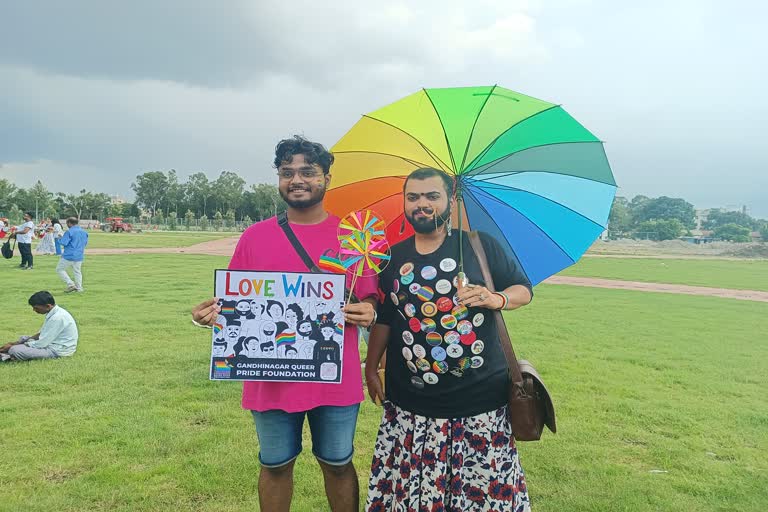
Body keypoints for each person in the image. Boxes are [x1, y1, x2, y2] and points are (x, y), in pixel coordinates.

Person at [192, 136, 378, 512]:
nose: (297, 179)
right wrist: (209, 317)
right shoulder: (255, 236)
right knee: (275, 465)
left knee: (338, 463)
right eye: (287, 172)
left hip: (334, 373)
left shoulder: (354, 237)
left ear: (327, 177)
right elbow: (234, 303)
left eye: (308, 172)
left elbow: (371, 297)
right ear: (278, 178)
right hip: (270, 374)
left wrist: (370, 310)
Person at [364, 168, 534, 511]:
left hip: (479, 402)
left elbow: (523, 290)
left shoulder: (480, 245)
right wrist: (370, 367)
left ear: (451, 201)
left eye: (432, 196)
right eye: (413, 197)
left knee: (481, 496)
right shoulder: (391, 256)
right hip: (411, 404)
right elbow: (385, 317)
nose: (421, 205)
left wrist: (495, 298)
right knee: (412, 495)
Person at [0, 291, 79, 362]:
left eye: (36, 308)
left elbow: (42, 343)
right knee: (24, 338)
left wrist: (15, 345)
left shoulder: (57, 318)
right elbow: (40, 334)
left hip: (57, 351)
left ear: (48, 306)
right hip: (50, 344)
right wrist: (16, 342)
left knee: (15, 350)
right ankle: (10, 355)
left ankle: (9, 356)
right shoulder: (54, 313)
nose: (34, 310)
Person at [57, 217, 89, 293]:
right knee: (77, 271)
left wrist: (60, 238)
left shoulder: (69, 232)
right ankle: (79, 288)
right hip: (79, 254)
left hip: (69, 254)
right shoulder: (84, 232)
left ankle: (70, 284)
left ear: (69, 223)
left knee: (60, 269)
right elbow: (85, 243)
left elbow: (64, 243)